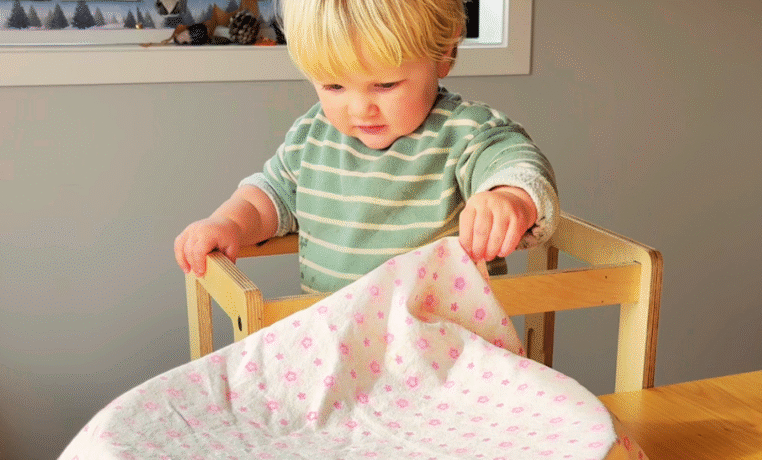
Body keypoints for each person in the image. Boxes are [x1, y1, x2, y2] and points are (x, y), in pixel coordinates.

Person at [174, 0, 559, 294]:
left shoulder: (464, 132)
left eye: (385, 84)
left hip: (446, 350)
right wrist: (228, 223)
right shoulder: (313, 136)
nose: (360, 109)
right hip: (338, 345)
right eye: (334, 86)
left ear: (444, 53)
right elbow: (268, 198)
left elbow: (516, 163)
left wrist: (508, 198)